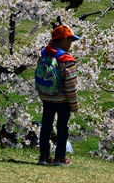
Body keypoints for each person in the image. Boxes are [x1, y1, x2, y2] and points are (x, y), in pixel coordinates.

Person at [35, 24, 79, 166]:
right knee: (62, 127)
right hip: (62, 100)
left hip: (46, 97)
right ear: (65, 40)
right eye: (71, 41)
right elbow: (70, 85)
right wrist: (74, 104)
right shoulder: (66, 60)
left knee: (46, 126)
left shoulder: (44, 55)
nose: (71, 44)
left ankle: (44, 156)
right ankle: (60, 157)